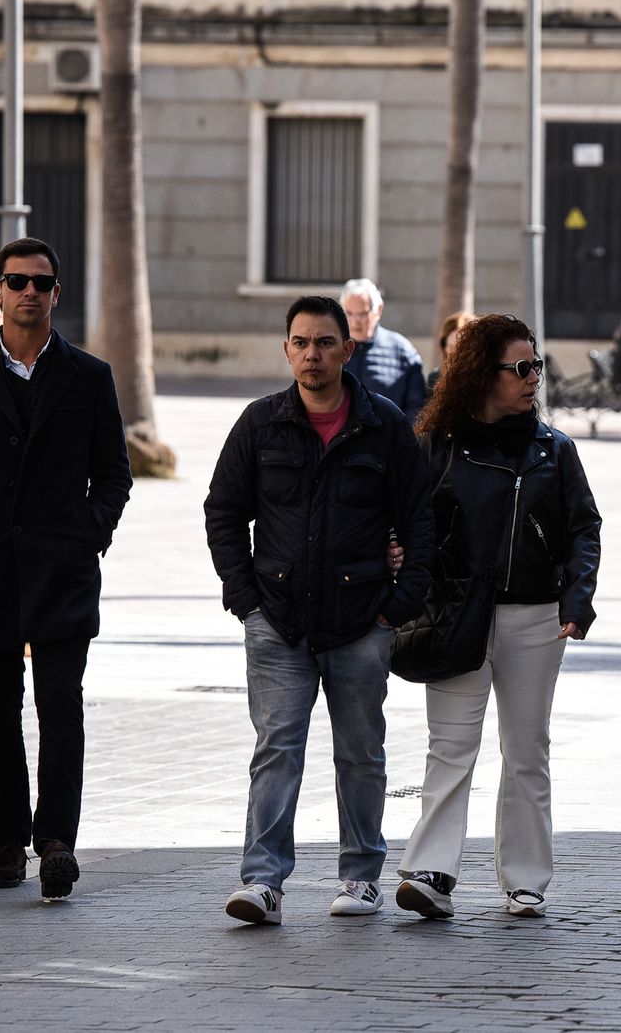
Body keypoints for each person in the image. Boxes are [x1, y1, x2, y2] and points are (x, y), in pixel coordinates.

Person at [205, 294, 435, 926]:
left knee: (361, 753)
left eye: (325, 343)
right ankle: (262, 881)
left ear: (348, 349)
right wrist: (244, 597)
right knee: (277, 749)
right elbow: (223, 511)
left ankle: (360, 879)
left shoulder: (384, 425)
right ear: (287, 350)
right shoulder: (259, 424)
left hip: (363, 622)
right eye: (301, 343)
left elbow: (419, 518)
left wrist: (399, 604)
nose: (313, 354)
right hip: (277, 620)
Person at [0, 238, 132, 899]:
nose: (30, 291)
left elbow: (114, 475)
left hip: (62, 572)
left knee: (61, 707)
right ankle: (9, 841)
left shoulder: (89, 376)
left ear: (56, 293)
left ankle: (56, 841)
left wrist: (87, 536)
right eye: (17, 281)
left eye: (42, 281)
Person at [395, 314, 602, 921]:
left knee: (526, 749)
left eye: (536, 365)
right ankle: (431, 870)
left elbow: (583, 528)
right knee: (451, 745)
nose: (534, 377)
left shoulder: (554, 450)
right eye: (522, 368)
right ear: (483, 374)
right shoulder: (437, 443)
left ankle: (526, 879)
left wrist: (577, 596)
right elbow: (407, 521)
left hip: (537, 618)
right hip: (457, 614)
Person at [341, 277, 427, 424]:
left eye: (362, 314)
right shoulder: (331, 348)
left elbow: (417, 408)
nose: (355, 321)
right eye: (348, 313)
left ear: (378, 310)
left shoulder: (403, 351)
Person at [425, 310, 471, 398]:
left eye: (463, 347)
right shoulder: (435, 377)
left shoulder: (487, 376)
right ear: (445, 347)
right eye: (452, 347)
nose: (457, 354)